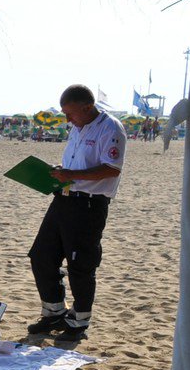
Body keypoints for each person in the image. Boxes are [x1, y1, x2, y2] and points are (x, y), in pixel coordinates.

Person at [26, 83, 125, 343]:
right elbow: (78, 165)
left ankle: (78, 320)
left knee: (80, 264)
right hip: (64, 199)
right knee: (41, 255)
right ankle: (54, 312)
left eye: (71, 113)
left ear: (88, 107)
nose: (67, 119)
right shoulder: (77, 128)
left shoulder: (110, 127)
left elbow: (112, 168)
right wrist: (63, 172)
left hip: (89, 204)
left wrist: (72, 175)